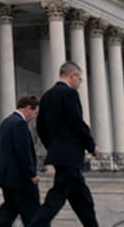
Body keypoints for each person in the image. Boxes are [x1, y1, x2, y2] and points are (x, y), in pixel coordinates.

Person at [30, 62, 100, 227]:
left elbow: (40, 127)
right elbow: (77, 122)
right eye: (79, 79)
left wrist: (53, 146)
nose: (79, 83)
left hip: (60, 154)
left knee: (83, 199)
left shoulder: (46, 96)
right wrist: (91, 146)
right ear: (72, 76)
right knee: (57, 196)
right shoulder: (69, 94)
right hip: (71, 154)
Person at [0, 94, 41, 226]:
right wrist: (31, 174)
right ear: (28, 108)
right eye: (35, 113)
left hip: (7, 177)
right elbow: (23, 151)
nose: (34, 117)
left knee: (9, 210)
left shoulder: (6, 122)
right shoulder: (19, 124)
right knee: (32, 213)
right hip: (19, 178)